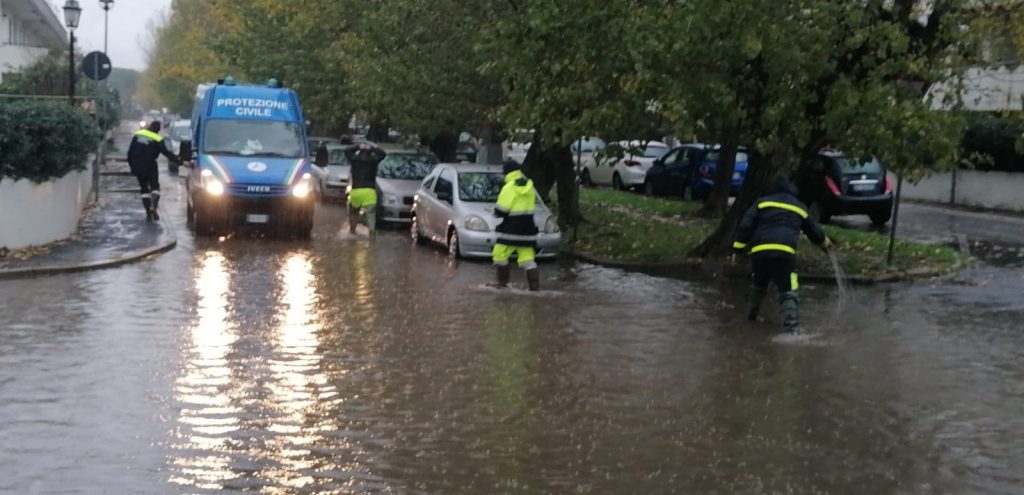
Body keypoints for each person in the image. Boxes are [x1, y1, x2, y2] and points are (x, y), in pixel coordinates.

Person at [732, 176, 833, 334]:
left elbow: (745, 227)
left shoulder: (761, 203)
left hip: (760, 252)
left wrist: (738, 251)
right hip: (785, 254)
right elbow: (814, 231)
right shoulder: (799, 207)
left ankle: (751, 316)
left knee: (759, 284)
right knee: (788, 288)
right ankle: (791, 326)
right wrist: (826, 245)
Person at [493, 160, 541, 291]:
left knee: (499, 254)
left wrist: (495, 212)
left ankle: (503, 284)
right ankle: (534, 288)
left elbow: (502, 210)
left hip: (511, 230)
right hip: (528, 230)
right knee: (528, 259)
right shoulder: (530, 186)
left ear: (507, 173)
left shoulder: (509, 187)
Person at [127, 121, 183, 222]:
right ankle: (153, 206)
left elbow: (129, 153)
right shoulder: (158, 139)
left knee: (144, 189)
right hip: (150, 165)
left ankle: (148, 212)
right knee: (155, 188)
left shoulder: (138, 135)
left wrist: (132, 167)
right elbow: (167, 153)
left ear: (150, 126)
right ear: (158, 130)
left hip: (138, 166)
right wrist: (180, 161)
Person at [344, 143, 386, 236]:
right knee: (371, 214)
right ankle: (372, 232)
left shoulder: (354, 159)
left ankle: (352, 230)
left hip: (356, 191)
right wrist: (373, 147)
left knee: (354, 212)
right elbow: (383, 154)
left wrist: (358, 146)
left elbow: (346, 150)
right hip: (369, 192)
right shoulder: (373, 161)